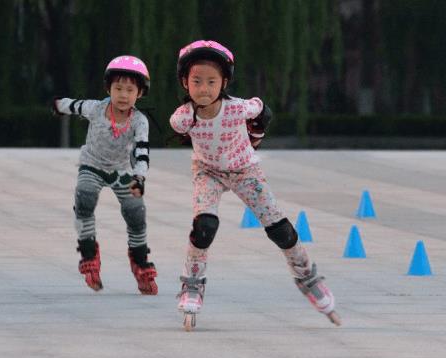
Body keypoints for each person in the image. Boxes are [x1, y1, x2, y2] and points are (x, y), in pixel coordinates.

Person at [169, 40, 340, 330]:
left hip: (244, 170)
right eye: (196, 81)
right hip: (207, 171)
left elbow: (263, 111)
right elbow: (180, 127)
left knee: (281, 230)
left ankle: (307, 276)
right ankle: (192, 284)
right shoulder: (183, 117)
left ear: (224, 82)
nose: (204, 89)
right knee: (204, 227)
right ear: (185, 82)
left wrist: (256, 135)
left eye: (212, 81)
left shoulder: (238, 108)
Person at [53, 55, 158, 295]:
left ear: (139, 94)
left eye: (130, 90)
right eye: (118, 88)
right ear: (108, 89)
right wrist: (58, 105)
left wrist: (139, 178)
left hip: (122, 170)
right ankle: (89, 254)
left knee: (136, 213)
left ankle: (140, 263)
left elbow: (142, 152)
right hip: (92, 164)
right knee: (85, 197)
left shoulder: (140, 121)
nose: (123, 95)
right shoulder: (97, 108)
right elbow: (75, 105)